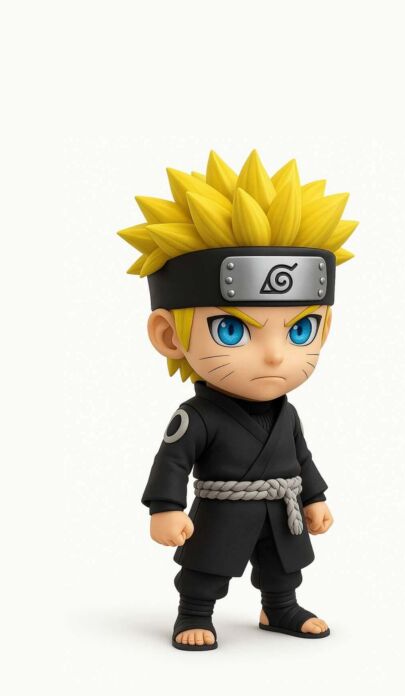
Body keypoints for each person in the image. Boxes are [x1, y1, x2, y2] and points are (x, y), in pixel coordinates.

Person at [118, 149, 357, 650]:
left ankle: (279, 607)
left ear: (326, 327)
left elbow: (302, 459)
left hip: (281, 508)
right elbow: (172, 461)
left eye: (300, 329)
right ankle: (194, 612)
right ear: (169, 335)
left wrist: (313, 496)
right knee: (206, 566)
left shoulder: (286, 414)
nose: (274, 356)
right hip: (223, 509)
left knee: (283, 565)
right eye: (232, 330)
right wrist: (165, 507)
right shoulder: (196, 417)